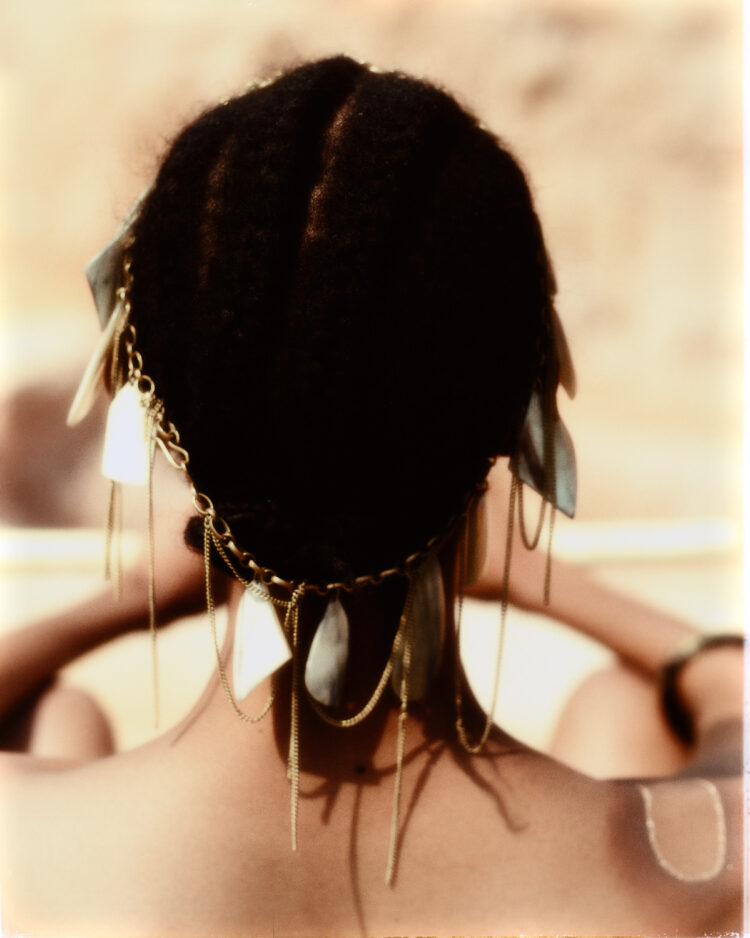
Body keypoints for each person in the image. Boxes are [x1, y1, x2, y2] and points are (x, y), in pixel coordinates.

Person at [0, 56, 742, 937]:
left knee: (49, 714)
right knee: (627, 706)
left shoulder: (22, 840)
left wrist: (125, 601)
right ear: (521, 408)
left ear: (154, 400)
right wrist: (547, 585)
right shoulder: (687, 863)